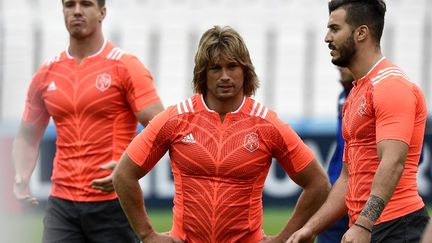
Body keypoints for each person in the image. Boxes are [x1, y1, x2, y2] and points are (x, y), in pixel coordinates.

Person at [112, 25, 330, 243]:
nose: (225, 76)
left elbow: (318, 184)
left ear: (245, 71)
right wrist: (147, 235)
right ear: (202, 74)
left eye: (232, 66)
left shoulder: (267, 124)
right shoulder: (175, 119)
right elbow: (123, 175)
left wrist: (283, 238)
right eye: (215, 68)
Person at [12, 0, 164, 242]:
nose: (77, 11)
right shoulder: (46, 73)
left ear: (102, 12)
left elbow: (160, 127)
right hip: (61, 204)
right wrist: (21, 175)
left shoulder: (125, 67)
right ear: (63, 11)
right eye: (70, 5)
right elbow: (27, 136)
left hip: (114, 203)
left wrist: (131, 168)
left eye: (86, 4)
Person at [287, 0, 429, 243]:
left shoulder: (391, 85)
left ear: (361, 33)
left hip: (398, 226)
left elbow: (393, 162)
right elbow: (347, 178)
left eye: (334, 28)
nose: (326, 37)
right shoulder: (355, 93)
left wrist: (364, 224)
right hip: (372, 226)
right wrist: (309, 229)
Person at [316, 67, 353, 243]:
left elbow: (412, 155)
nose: (339, 66)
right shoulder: (343, 96)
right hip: (337, 193)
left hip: (364, 201)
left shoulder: (382, 94)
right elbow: (342, 148)